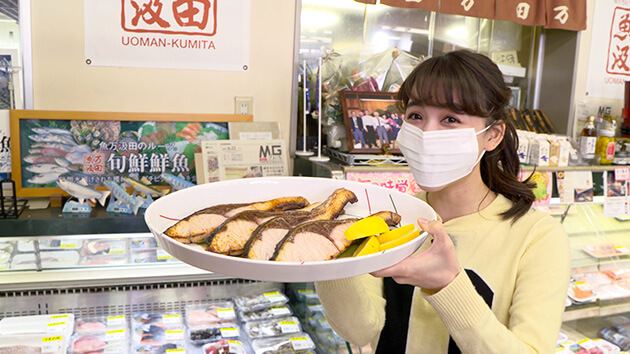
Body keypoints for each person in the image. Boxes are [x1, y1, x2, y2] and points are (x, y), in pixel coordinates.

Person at [315, 50, 570, 353]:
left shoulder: (537, 238)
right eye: (416, 116)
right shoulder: (393, 217)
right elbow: (360, 330)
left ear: (493, 136)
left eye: (450, 118)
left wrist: (449, 285)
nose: (426, 133)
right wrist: (326, 254)